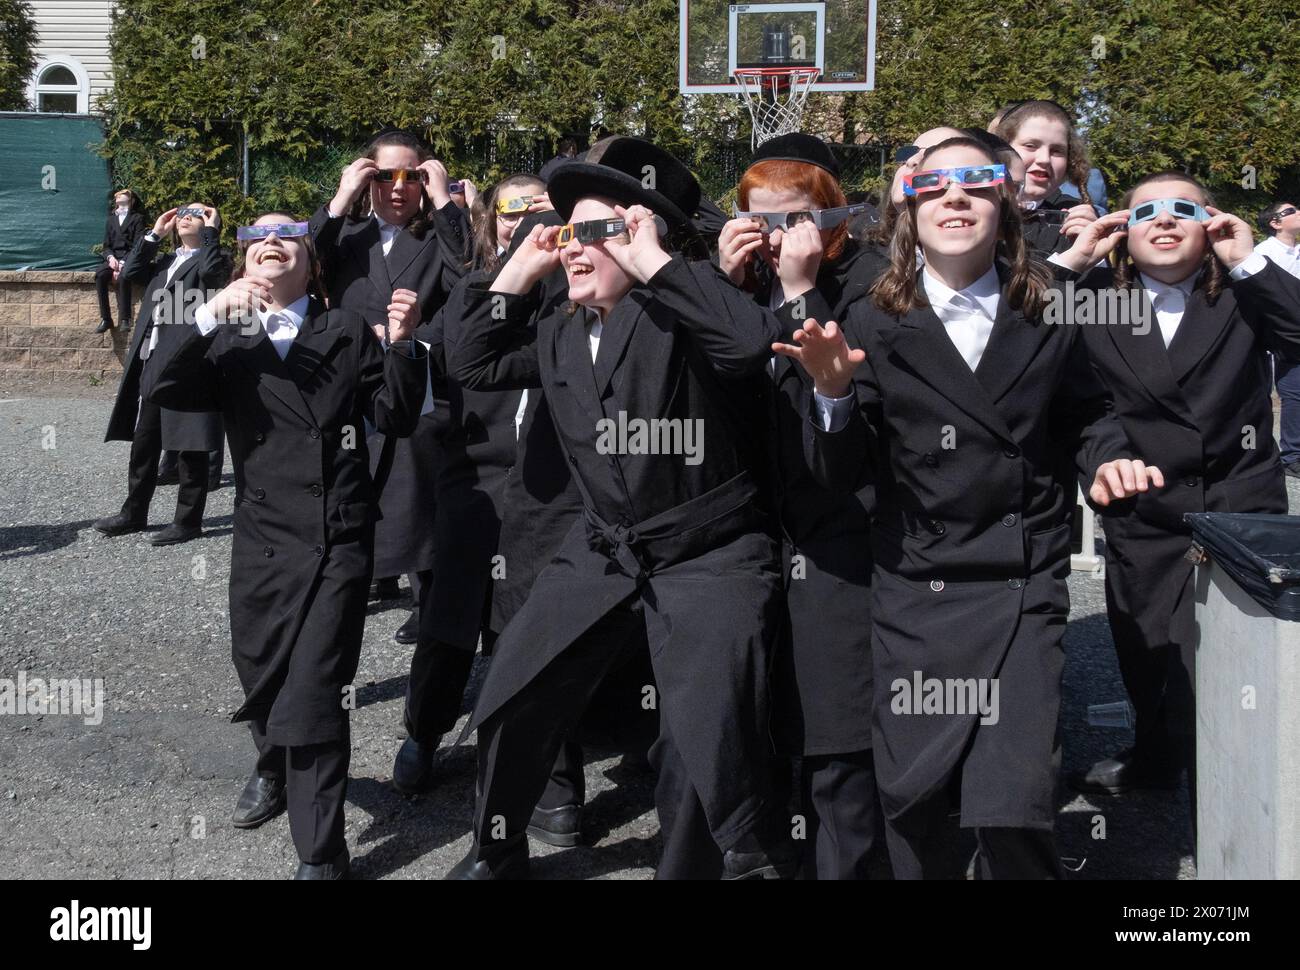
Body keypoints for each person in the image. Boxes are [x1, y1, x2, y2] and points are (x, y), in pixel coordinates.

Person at [777, 136, 1158, 878]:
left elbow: (1087, 414)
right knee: (912, 798)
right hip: (919, 584)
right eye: (936, 185)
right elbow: (836, 473)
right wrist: (830, 396)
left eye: (977, 184)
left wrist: (1109, 460)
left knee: (1012, 804)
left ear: (1006, 204)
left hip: (1020, 582)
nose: (955, 198)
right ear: (909, 209)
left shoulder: (1050, 307)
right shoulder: (870, 318)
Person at [445, 136, 795, 879]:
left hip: (712, 554)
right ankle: (497, 850)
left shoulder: (687, 307)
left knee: (705, 735)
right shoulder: (559, 329)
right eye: (566, 233)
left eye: (596, 232)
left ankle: (711, 862)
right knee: (513, 691)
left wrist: (657, 265)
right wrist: (517, 267)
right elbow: (470, 360)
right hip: (606, 545)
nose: (573, 248)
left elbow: (751, 341)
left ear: (642, 239)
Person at [141, 213, 430, 879]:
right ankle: (273, 763)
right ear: (243, 261)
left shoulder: (343, 328)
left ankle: (321, 853)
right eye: (256, 237)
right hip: (262, 539)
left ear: (311, 262)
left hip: (335, 539)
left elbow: (394, 416)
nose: (271, 243)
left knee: (313, 693)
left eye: (287, 236)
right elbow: (162, 387)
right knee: (261, 672)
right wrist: (208, 315)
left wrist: (406, 349)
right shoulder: (227, 338)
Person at [1055, 176, 1300, 802]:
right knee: (1147, 652)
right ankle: (1156, 754)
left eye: (1183, 211)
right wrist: (1106, 461)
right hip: (1146, 507)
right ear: (1122, 233)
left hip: (1238, 502)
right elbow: (1078, 401)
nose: (1165, 222)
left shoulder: (1245, 293)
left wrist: (1249, 259)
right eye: (1146, 213)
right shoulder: (1092, 300)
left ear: (1211, 224)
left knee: (1238, 658)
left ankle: (1244, 789)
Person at [718, 133, 884, 878]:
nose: (776, 238)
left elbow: (833, 418)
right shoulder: (739, 284)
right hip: (757, 533)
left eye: (793, 219)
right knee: (759, 722)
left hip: (842, 537)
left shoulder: (870, 284)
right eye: (760, 220)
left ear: (831, 218)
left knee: (836, 739)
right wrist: (722, 290)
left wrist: (799, 289)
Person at [310, 128, 470, 642]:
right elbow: (303, 266)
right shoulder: (347, 233)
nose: (397, 187)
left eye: (412, 176)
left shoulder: (434, 232)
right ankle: (354, 590)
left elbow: (468, 274)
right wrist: (340, 198)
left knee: (417, 494)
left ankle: (431, 605)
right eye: (385, 176)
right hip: (351, 381)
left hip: (417, 378)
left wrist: (445, 201)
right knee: (354, 488)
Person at [94, 203, 231, 546]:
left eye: (197, 212)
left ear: (209, 223)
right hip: (153, 360)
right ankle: (134, 513)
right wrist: (154, 233)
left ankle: (187, 521)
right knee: (144, 442)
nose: (187, 215)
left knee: (190, 445)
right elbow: (130, 273)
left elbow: (215, 276)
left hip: (189, 361)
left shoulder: (214, 257)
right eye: (183, 211)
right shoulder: (166, 262)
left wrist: (212, 233)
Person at [991, 100, 1098, 254]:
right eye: (1030, 146)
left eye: (1057, 150)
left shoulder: (1075, 216)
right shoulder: (976, 207)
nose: (1044, 159)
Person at [1255, 201, 1300, 478]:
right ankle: (1291, 455)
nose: (1299, 214)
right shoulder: (1264, 253)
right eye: (1292, 211)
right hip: (1275, 336)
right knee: (1288, 395)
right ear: (1275, 222)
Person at [94, 189, 146, 334]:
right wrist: (110, 258)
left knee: (124, 276)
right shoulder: (111, 220)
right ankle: (106, 318)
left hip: (129, 258)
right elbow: (106, 245)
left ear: (131, 201)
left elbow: (137, 245)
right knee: (100, 275)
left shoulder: (137, 219)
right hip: (113, 258)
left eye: (124, 200)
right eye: (118, 201)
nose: (120, 203)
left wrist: (123, 263)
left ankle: (125, 319)